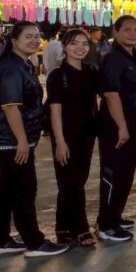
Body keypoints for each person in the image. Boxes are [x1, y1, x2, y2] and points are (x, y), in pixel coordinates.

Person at [0, 22, 69, 258]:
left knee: (7, 189)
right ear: (14, 40)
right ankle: (34, 242)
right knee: (24, 189)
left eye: (36, 36)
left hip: (10, 137)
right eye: (28, 37)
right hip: (10, 139)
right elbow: (10, 106)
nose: (34, 40)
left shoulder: (23, 63)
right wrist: (22, 140)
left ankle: (0, 240)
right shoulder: (12, 67)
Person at [97, 16, 136, 243]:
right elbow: (111, 95)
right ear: (115, 32)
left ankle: (115, 215)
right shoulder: (112, 59)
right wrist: (121, 126)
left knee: (126, 173)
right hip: (116, 128)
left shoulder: (135, 57)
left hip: (134, 127)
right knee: (113, 174)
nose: (133, 33)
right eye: (127, 29)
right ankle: (106, 224)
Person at [47, 29, 100, 247]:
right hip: (65, 135)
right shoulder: (57, 75)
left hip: (87, 134)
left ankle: (62, 228)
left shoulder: (91, 71)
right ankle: (81, 228)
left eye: (84, 43)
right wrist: (60, 142)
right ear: (64, 47)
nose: (80, 47)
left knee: (74, 181)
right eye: (74, 43)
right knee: (72, 182)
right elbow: (55, 111)